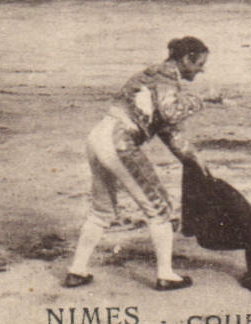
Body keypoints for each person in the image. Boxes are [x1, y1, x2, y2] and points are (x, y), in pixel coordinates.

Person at [64, 36, 216, 291]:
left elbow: (169, 131)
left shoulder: (155, 75)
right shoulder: (166, 79)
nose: (202, 69)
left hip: (98, 138)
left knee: (102, 210)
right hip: (119, 143)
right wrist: (203, 99)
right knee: (160, 209)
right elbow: (171, 113)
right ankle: (166, 275)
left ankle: (77, 271)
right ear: (186, 59)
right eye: (199, 63)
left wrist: (193, 157)